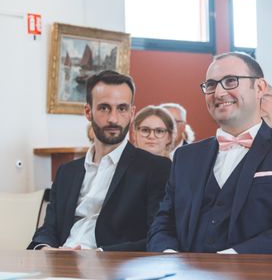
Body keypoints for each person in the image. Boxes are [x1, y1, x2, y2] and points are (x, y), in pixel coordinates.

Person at [148, 52, 272, 254]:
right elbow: (163, 222)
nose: (218, 93)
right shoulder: (186, 157)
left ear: (260, 88)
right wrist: (169, 255)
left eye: (231, 81)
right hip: (185, 278)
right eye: (211, 85)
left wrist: (232, 258)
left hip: (257, 279)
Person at [29, 71, 171, 251]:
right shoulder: (67, 172)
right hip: (59, 260)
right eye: (104, 108)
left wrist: (98, 255)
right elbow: (48, 229)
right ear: (88, 111)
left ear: (132, 113)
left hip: (110, 266)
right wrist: (45, 249)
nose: (113, 118)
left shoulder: (155, 169)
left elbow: (157, 236)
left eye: (122, 108)